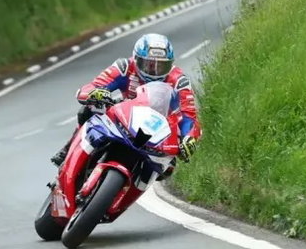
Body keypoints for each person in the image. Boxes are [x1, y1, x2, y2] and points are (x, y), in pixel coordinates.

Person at [49, 34, 200, 167]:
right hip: (123, 114)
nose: (154, 71)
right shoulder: (124, 66)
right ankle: (69, 148)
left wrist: (189, 138)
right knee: (87, 111)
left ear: (170, 64)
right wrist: (96, 94)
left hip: (157, 128)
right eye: (149, 65)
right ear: (136, 59)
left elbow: (190, 115)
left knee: (169, 167)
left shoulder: (179, 80)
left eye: (160, 66)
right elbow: (92, 86)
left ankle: (135, 186)